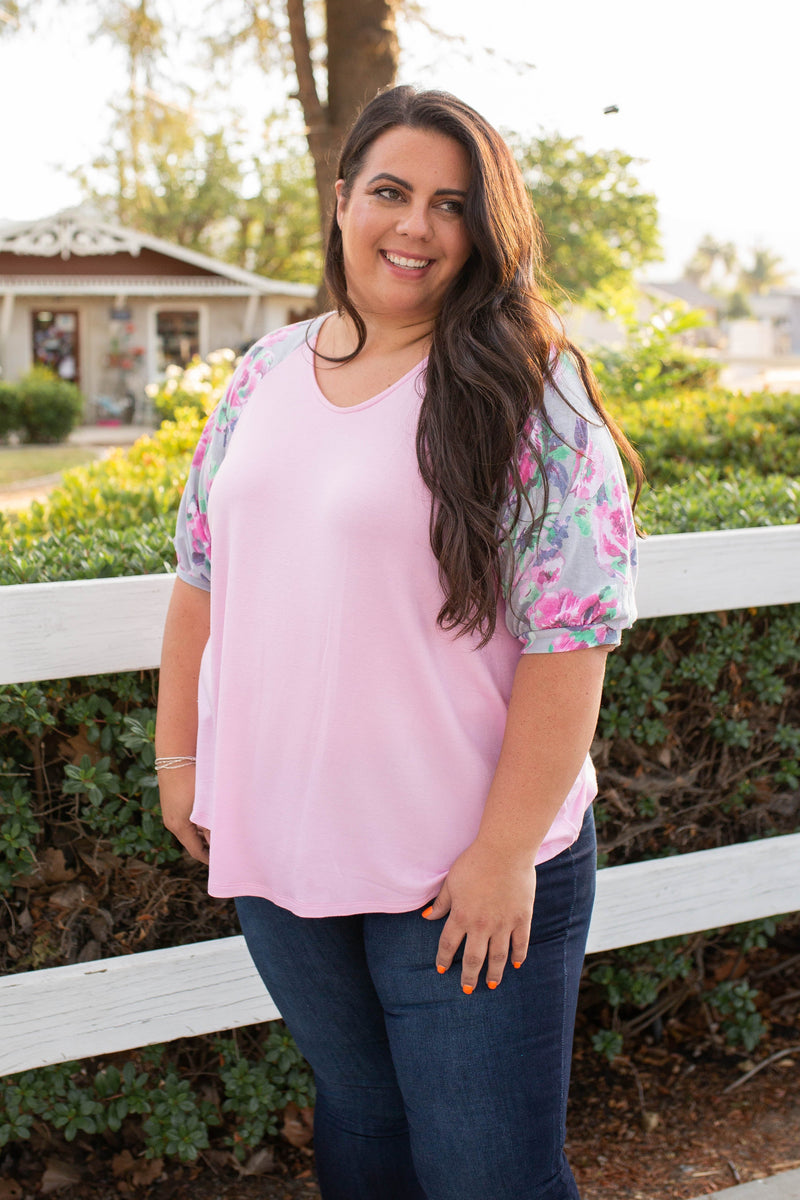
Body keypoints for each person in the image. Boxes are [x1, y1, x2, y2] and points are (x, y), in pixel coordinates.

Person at [156, 85, 642, 1200]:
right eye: (389, 192)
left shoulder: (531, 392)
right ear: (341, 203)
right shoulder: (263, 375)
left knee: (486, 1178)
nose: (414, 226)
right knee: (364, 1140)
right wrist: (179, 759)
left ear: (486, 230)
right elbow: (200, 581)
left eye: (451, 204)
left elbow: (572, 641)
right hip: (283, 852)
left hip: (458, 869)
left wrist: (502, 855)